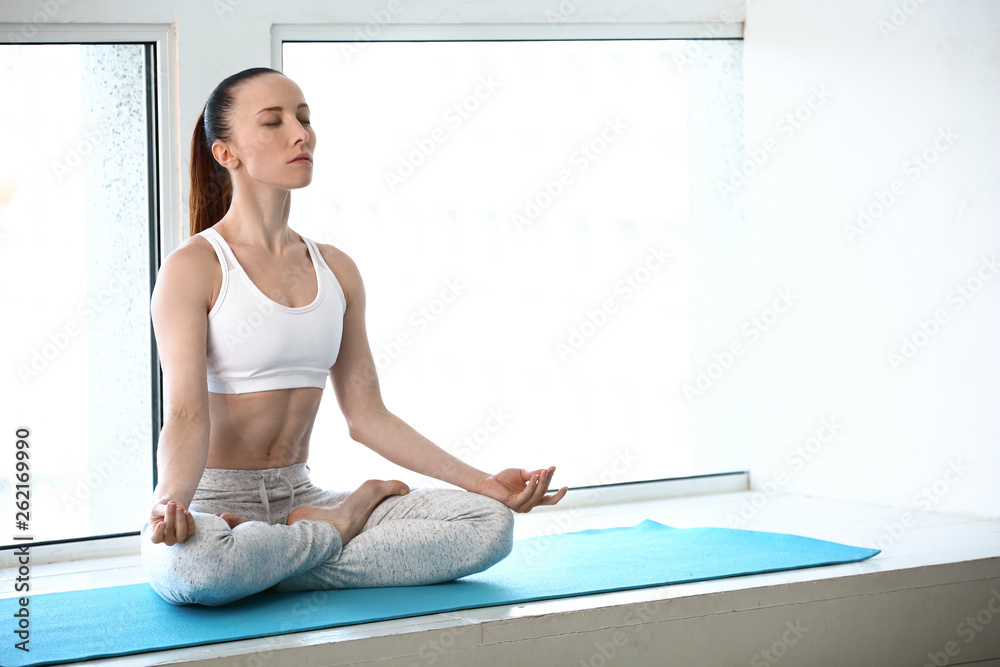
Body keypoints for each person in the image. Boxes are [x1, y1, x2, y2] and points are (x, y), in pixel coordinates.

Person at [140, 67, 567, 606]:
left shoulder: (336, 269)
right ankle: (333, 530)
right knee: (197, 569)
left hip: (302, 492)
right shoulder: (194, 267)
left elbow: (367, 417)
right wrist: (169, 506)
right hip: (214, 501)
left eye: (304, 118)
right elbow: (184, 414)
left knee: (487, 526)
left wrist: (484, 484)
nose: (300, 133)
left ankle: (286, 548)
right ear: (226, 154)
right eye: (273, 122)